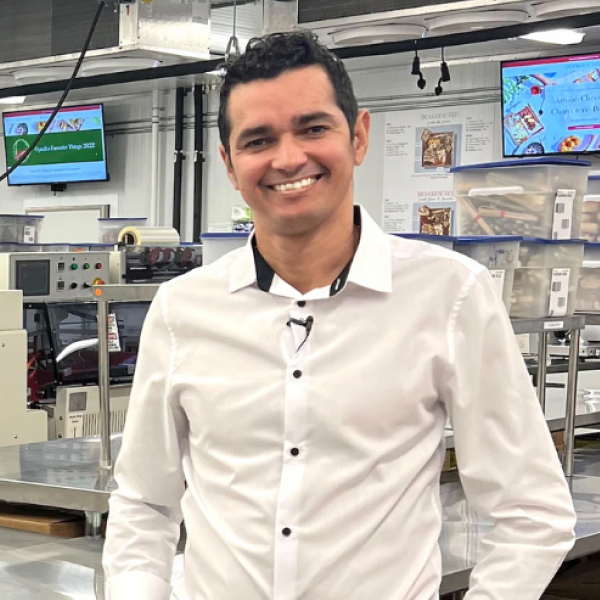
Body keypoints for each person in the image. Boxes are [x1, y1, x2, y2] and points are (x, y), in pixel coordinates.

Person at [103, 32, 576, 600]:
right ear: (229, 165)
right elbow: (144, 501)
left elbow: (532, 510)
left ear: (358, 136)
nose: (288, 158)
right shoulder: (183, 309)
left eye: (312, 128)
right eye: (258, 139)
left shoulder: (448, 295)